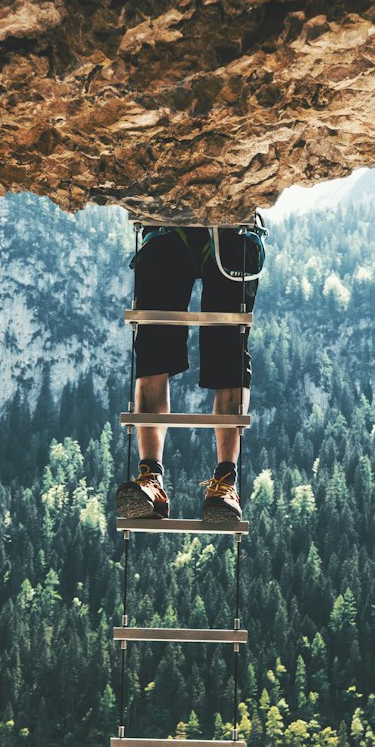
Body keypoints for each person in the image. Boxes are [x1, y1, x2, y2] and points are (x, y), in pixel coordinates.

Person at [115, 220, 266, 524]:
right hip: (209, 228)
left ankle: (223, 481)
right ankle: (155, 480)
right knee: (156, 353)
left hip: (192, 227)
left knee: (224, 354)